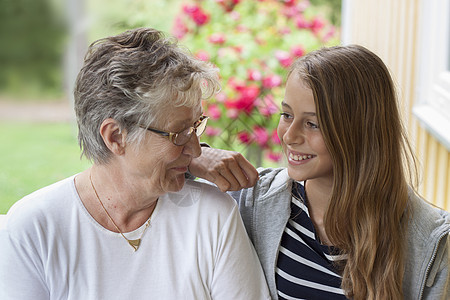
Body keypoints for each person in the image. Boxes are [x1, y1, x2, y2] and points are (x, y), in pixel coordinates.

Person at [0, 28, 270, 299]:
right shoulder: (35, 226)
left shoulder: (212, 217)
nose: (196, 149)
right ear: (116, 137)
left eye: (196, 126)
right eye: (179, 134)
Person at [189, 45, 450, 299]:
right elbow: (156, 183)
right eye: (287, 115)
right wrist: (195, 156)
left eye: (312, 124)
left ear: (360, 131)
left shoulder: (432, 246)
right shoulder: (255, 200)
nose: (289, 136)